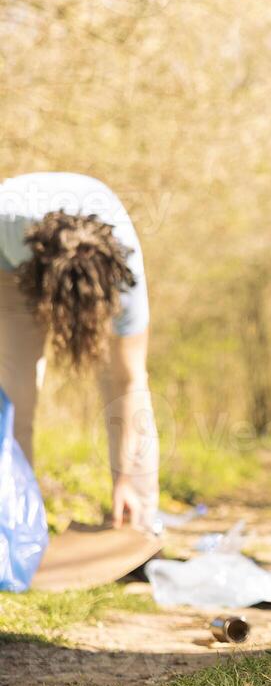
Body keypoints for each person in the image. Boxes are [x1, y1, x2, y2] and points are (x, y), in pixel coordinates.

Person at [0, 172, 158, 529]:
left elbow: (128, 380)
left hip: (94, 266)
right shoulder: (7, 219)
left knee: (124, 378)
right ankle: (15, 523)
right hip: (8, 264)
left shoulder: (124, 274)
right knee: (14, 388)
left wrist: (124, 478)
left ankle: (139, 518)